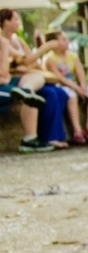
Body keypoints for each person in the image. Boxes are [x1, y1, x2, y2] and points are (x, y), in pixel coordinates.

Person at [0, 9, 59, 153]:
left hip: (14, 82)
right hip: (5, 84)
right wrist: (45, 47)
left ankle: (25, 92)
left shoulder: (15, 41)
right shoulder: (3, 41)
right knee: (44, 94)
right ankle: (31, 139)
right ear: (6, 22)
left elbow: (26, 60)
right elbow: (4, 73)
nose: (18, 22)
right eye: (15, 19)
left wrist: (25, 65)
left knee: (41, 87)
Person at [41, 30, 88, 145]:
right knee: (72, 97)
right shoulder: (49, 59)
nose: (67, 41)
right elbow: (59, 78)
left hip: (74, 83)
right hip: (61, 84)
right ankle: (77, 130)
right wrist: (76, 88)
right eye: (63, 39)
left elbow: (80, 73)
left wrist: (82, 86)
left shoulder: (72, 56)